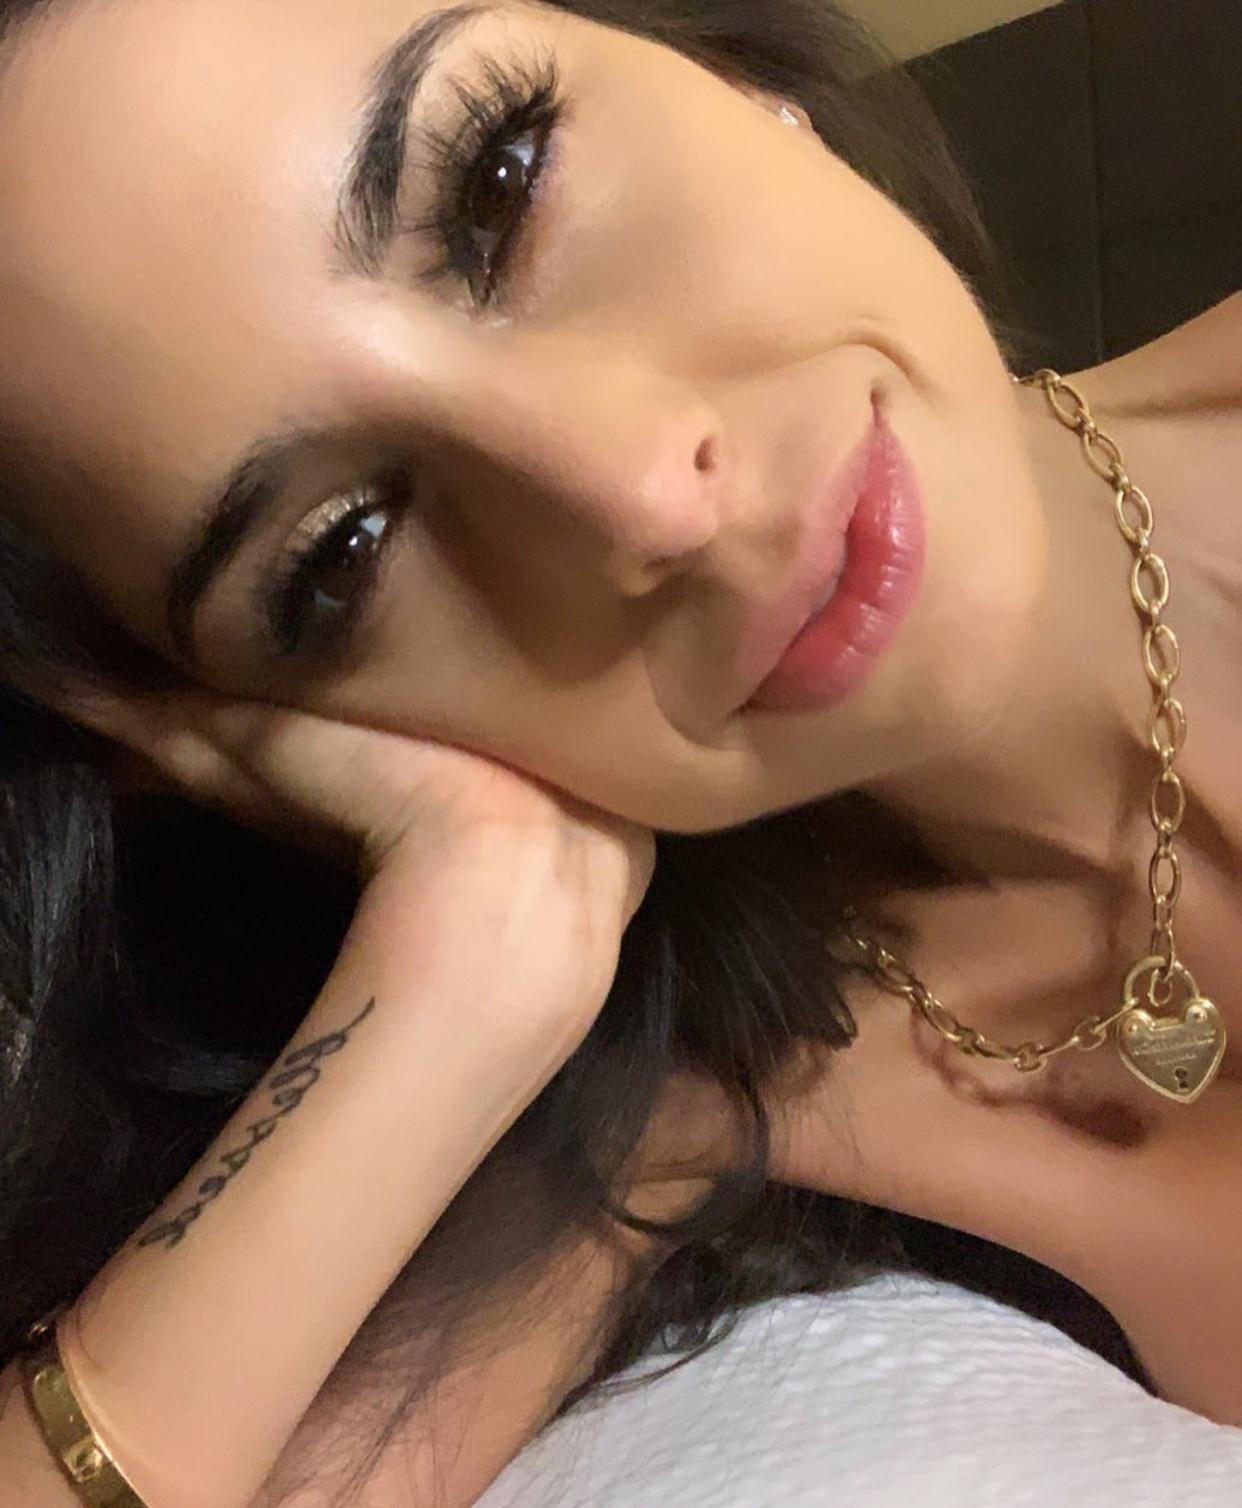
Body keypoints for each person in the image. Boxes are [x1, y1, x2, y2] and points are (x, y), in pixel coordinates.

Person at [0, 0, 1238, 1501]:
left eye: (501, 181)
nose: (650, 494)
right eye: (340, 554)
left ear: (721, 65)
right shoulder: (703, 1101)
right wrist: (451, 985)